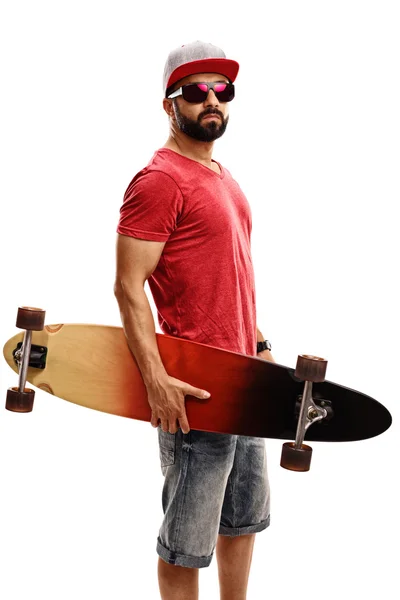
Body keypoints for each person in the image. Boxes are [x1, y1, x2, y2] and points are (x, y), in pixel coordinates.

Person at [115, 40, 273, 600]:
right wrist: (156, 380)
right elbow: (128, 287)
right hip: (194, 386)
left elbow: (230, 275)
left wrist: (260, 343)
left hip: (246, 381)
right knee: (186, 543)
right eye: (196, 91)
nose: (212, 101)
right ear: (169, 104)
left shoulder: (224, 178)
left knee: (242, 522)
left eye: (222, 90)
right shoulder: (158, 181)